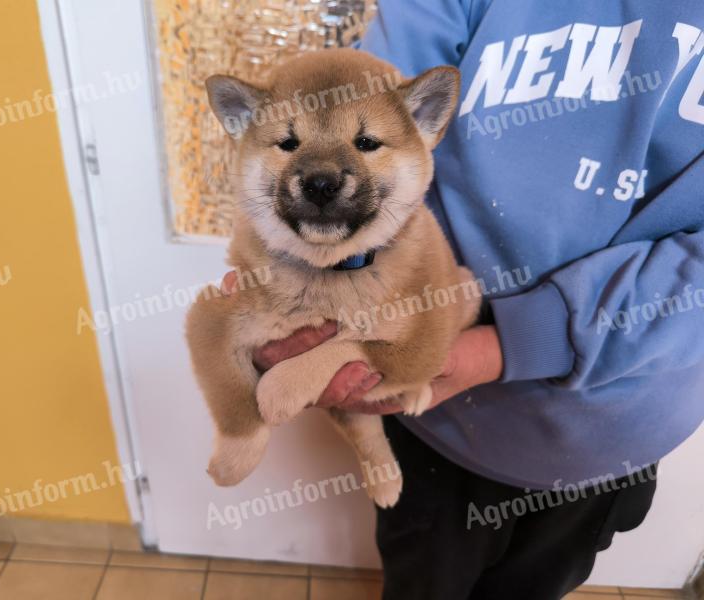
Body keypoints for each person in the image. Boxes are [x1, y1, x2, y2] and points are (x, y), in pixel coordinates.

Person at [222, 1, 704, 597]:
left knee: (534, 583)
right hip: (437, 422)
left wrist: (510, 341)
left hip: (608, 420)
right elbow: (367, 94)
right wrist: (287, 279)